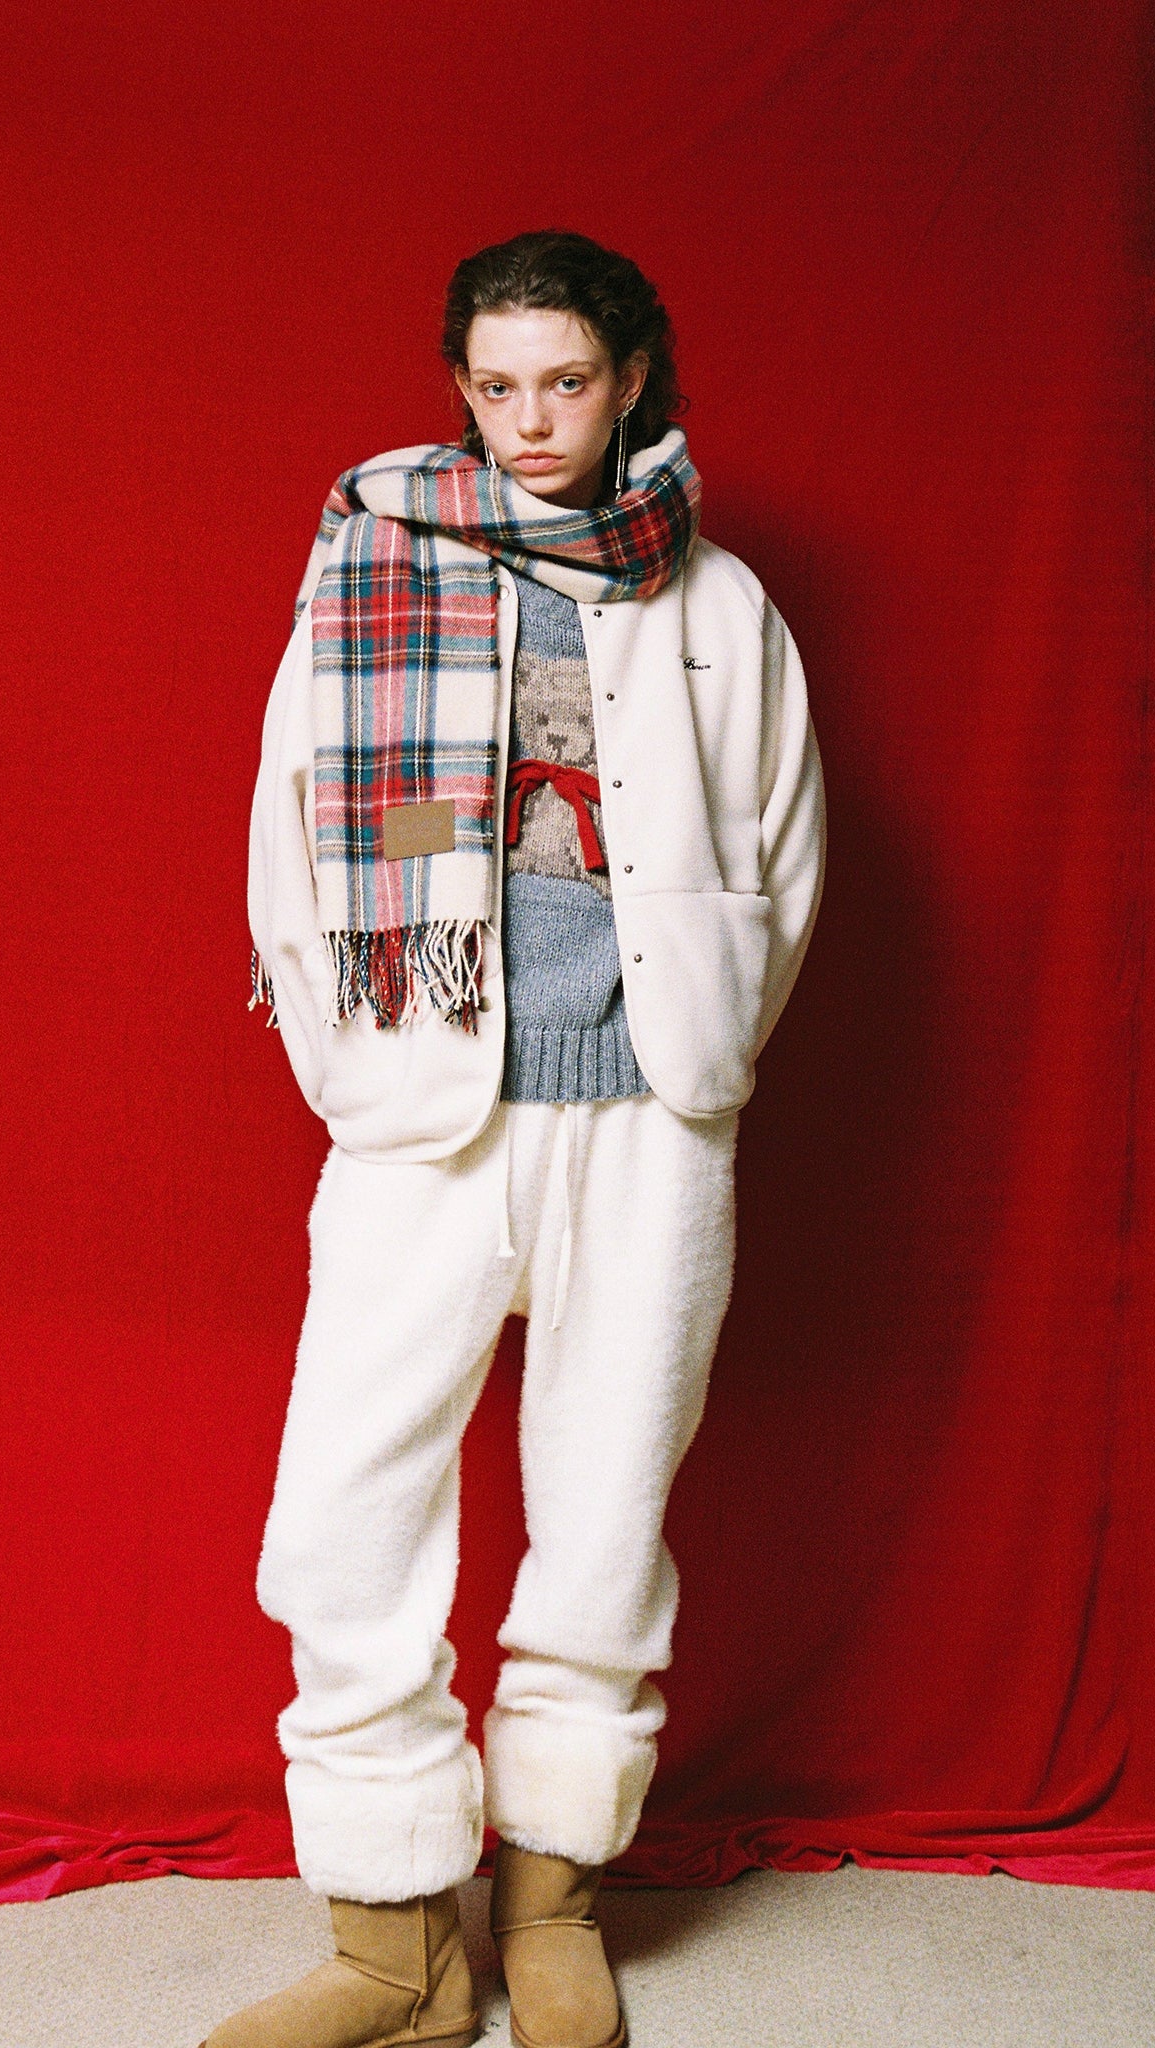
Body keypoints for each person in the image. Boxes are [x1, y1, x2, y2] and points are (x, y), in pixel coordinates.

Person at [203, 230, 827, 2048]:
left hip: (645, 1117)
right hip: (428, 1110)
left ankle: (554, 1903)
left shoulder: (720, 604)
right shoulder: (379, 569)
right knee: (344, 1516)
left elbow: (783, 859)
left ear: (630, 380)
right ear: (461, 390)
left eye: (566, 381)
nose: (531, 420)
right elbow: (294, 845)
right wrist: (360, 1074)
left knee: (607, 1513)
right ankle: (395, 1943)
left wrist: (694, 1049)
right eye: (497, 385)